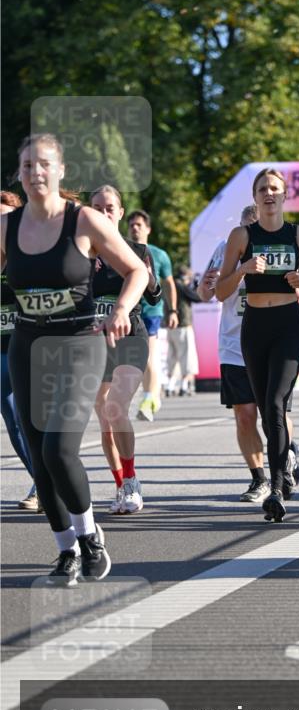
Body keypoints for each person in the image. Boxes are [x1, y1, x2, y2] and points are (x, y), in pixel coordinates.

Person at [1, 133, 147, 586]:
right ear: (20, 175)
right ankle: (66, 548)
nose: (35, 172)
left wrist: (121, 309)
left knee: (58, 450)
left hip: (80, 342)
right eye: (27, 166)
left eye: (43, 164)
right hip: (27, 345)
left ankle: (90, 537)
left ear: (60, 170)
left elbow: (137, 270)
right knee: (40, 460)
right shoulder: (7, 227)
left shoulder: (82, 220)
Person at [215, 169, 299, 522]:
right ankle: (282, 467)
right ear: (255, 197)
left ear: (284, 195)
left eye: (275, 188)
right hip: (254, 326)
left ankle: (274, 489)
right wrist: (243, 269)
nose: (269, 194)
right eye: (262, 189)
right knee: (260, 405)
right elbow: (220, 290)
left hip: (288, 325)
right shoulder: (241, 236)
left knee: (274, 403)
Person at [198, 204, 299, 504]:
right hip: (234, 344)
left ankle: (287, 454)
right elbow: (206, 293)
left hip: (273, 339)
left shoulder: (284, 246)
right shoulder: (223, 249)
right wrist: (208, 285)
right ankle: (259, 479)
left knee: (275, 412)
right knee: (244, 415)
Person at [90, 185, 161, 513]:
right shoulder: (79, 253)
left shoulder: (136, 249)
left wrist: (149, 279)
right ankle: (120, 484)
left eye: (109, 208)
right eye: (97, 207)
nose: (104, 213)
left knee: (116, 405)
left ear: (119, 213)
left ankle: (132, 481)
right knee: (105, 415)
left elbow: (154, 298)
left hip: (131, 336)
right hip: (93, 342)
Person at [0, 190, 39, 509]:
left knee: (34, 421)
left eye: (4, 217)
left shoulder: (29, 254)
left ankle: (47, 485)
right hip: (1, 351)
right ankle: (41, 483)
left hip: (31, 346)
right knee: (13, 424)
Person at [127, 209, 178, 422]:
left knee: (148, 355)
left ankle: (149, 400)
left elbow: (169, 284)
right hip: (129, 310)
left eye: (139, 225)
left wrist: (173, 310)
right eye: (132, 225)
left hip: (151, 311)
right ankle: (149, 394)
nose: (135, 228)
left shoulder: (159, 254)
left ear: (148, 229)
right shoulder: (121, 250)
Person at [166, 265, 201, 397]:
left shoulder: (169, 285)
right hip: (183, 324)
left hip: (170, 326)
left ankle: (170, 385)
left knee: (173, 355)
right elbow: (197, 297)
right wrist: (195, 285)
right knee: (186, 355)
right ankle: (184, 385)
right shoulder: (180, 285)